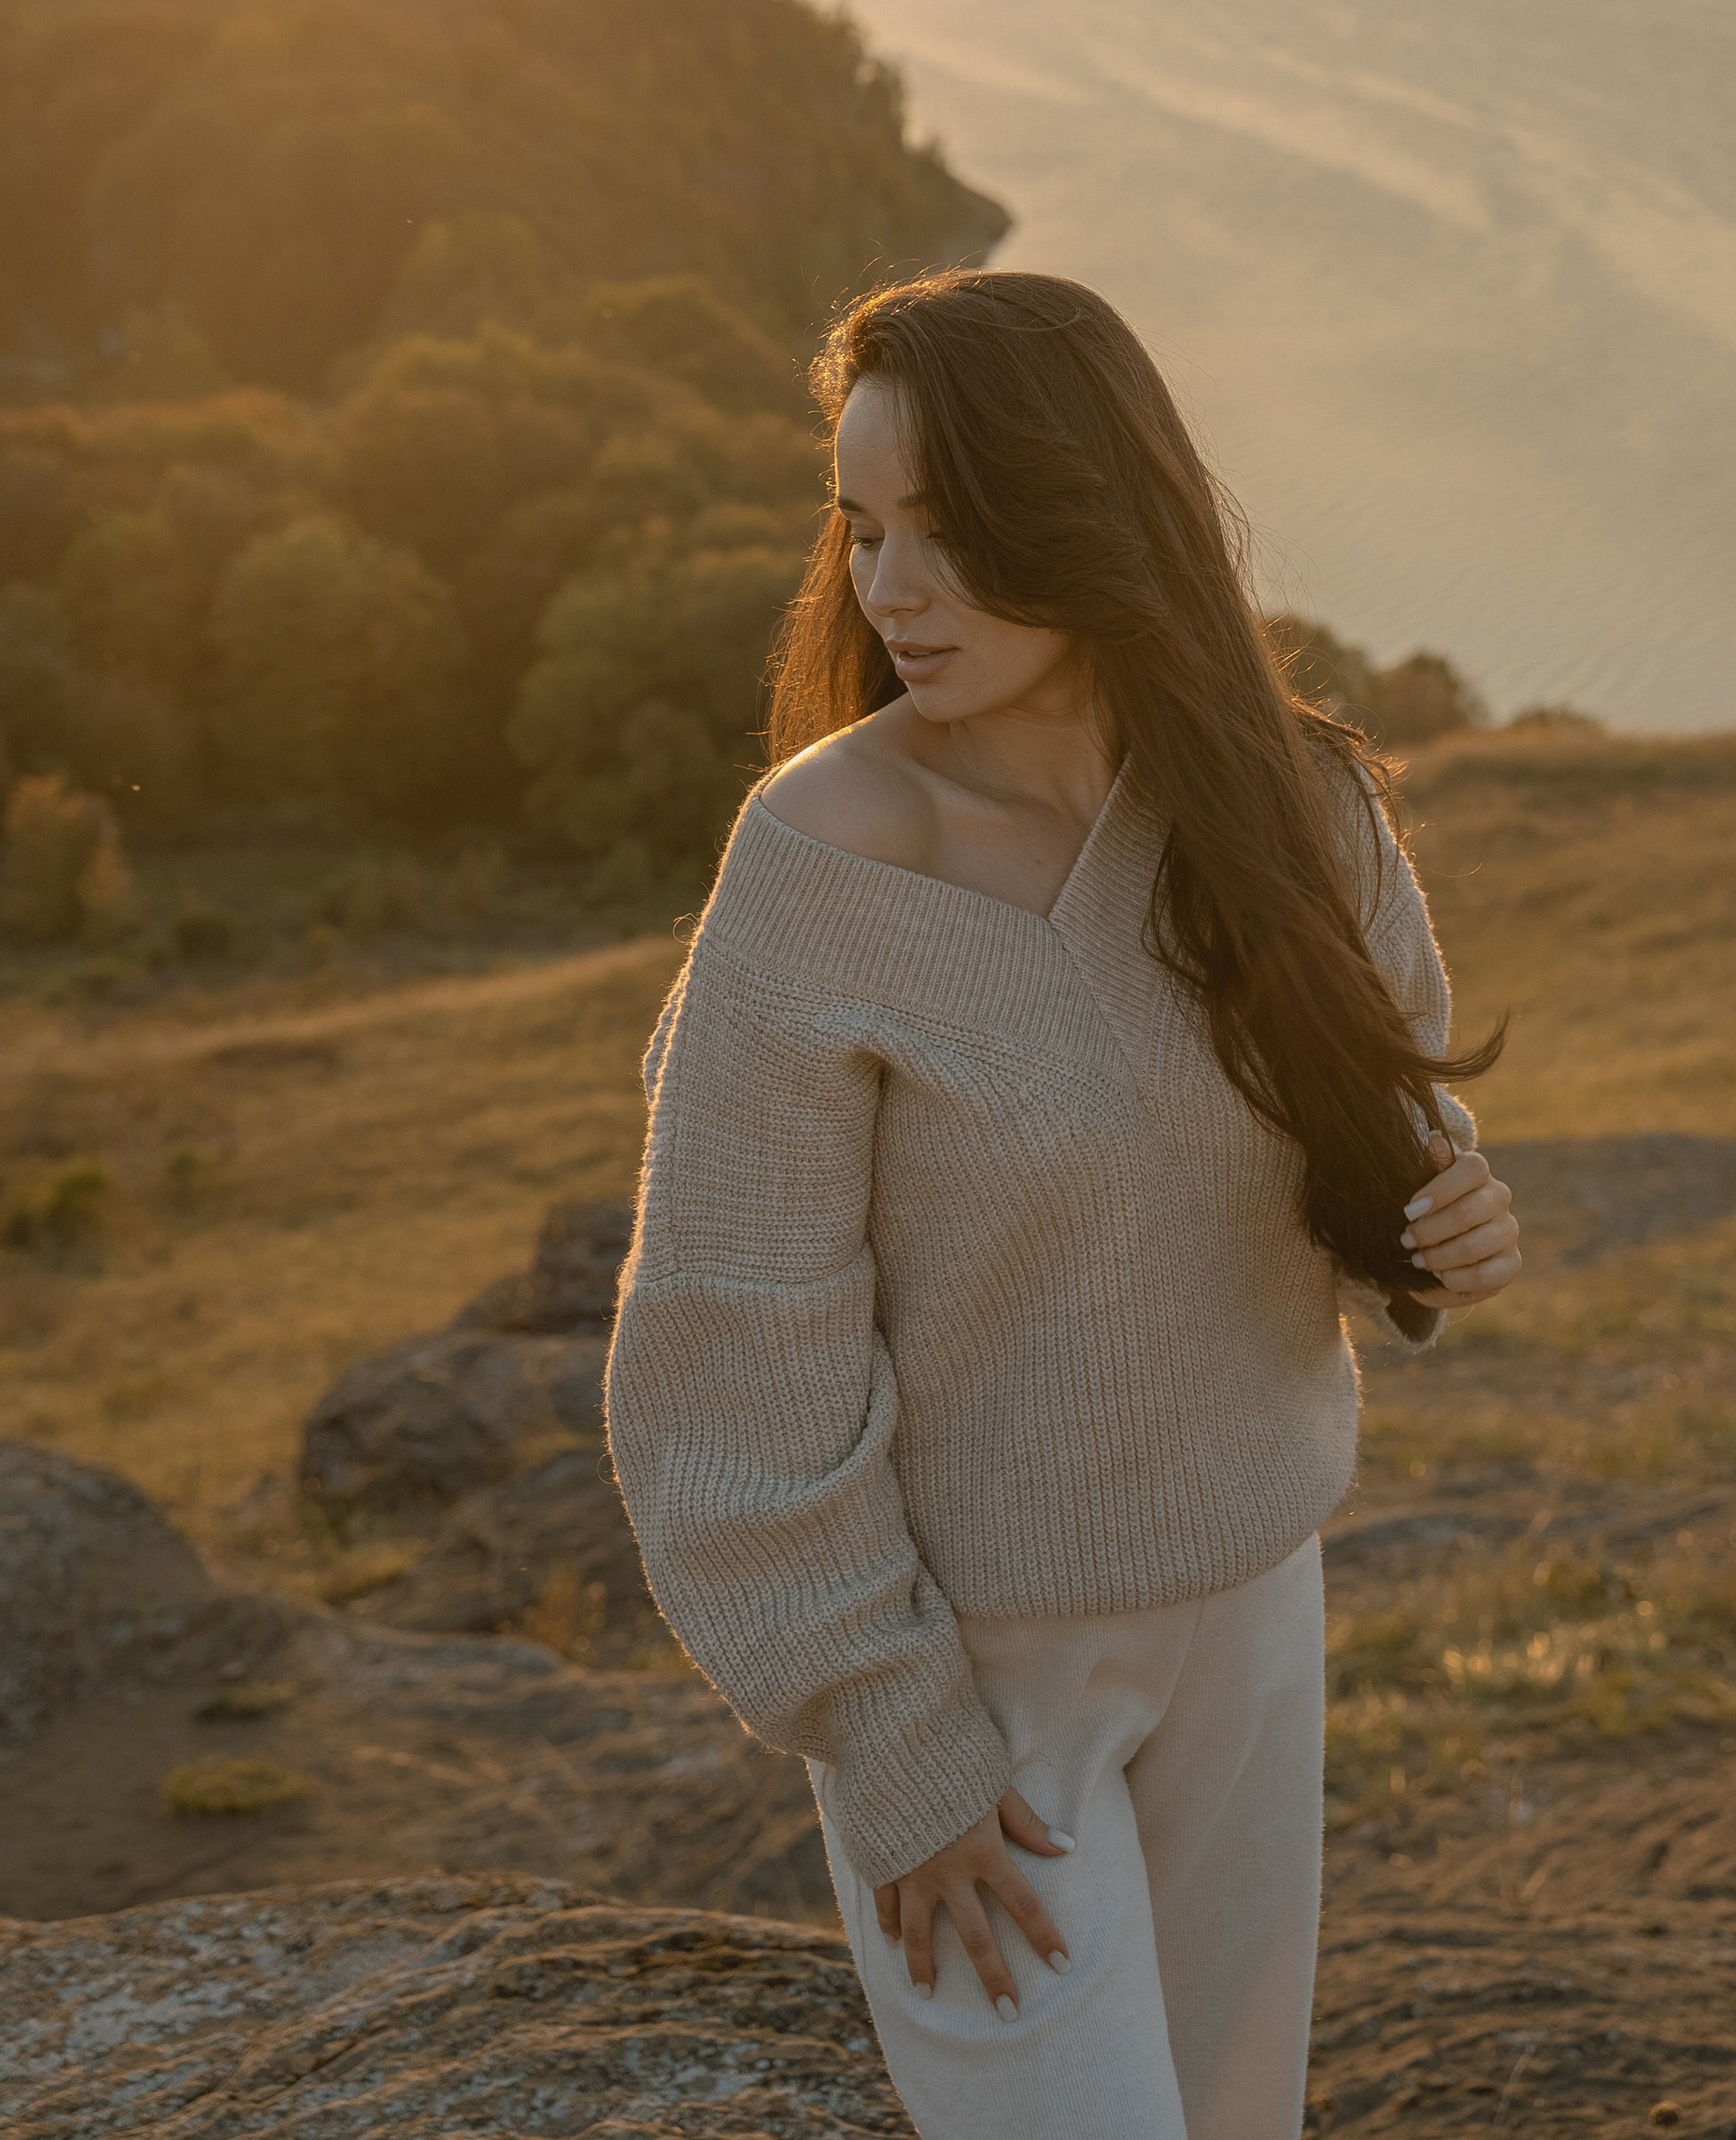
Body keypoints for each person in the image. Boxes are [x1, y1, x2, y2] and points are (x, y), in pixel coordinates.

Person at [605, 269, 1520, 2140]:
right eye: (862, 532)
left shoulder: (1295, 810)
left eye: (949, 532)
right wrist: (889, 1738)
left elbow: (1380, 1113)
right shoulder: (814, 868)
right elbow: (728, 1346)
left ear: (1086, 521)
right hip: (977, 1679)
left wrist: (1438, 1220)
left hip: (1254, 1616)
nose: (890, 590)